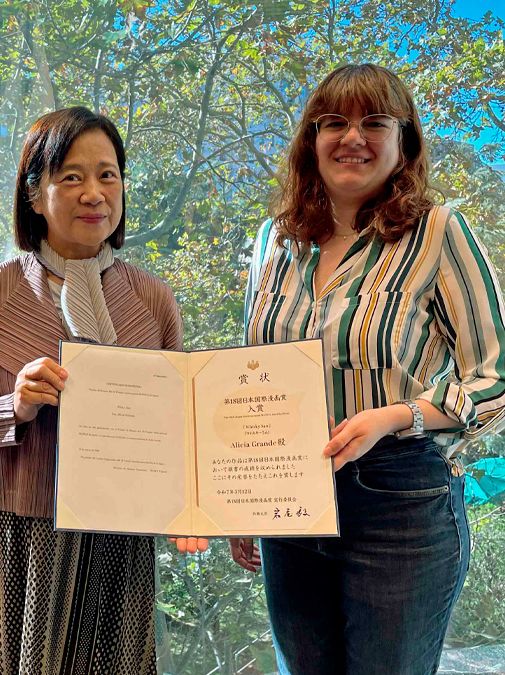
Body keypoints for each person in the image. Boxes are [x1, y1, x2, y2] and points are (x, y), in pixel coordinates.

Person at [179, 63, 505, 674]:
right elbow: (253, 373)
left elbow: (496, 377)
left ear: (404, 142)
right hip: (286, 492)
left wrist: (397, 416)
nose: (352, 137)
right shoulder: (275, 241)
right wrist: (239, 497)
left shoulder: (439, 233)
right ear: (312, 140)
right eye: (334, 123)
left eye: (374, 122)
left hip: (398, 500)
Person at [0, 106, 196, 674]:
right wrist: (13, 407)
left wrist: (194, 509)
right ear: (34, 193)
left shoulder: (153, 300)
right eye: (71, 176)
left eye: (108, 175)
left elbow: (180, 428)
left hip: (118, 542)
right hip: (14, 540)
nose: (94, 193)